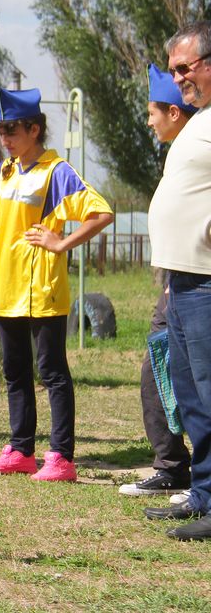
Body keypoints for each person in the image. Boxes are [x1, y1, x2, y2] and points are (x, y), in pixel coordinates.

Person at [0, 88, 113, 482]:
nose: (4, 138)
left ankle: (61, 457)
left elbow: (100, 213)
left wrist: (61, 244)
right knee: (14, 371)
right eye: (0, 131)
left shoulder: (56, 171)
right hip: (4, 288)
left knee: (52, 372)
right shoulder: (3, 171)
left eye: (12, 130)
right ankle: (20, 450)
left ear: (34, 129)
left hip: (42, 289)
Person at [144, 22, 211, 541]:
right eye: (173, 70)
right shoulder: (199, 121)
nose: (178, 78)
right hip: (183, 280)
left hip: (207, 282)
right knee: (192, 396)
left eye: (184, 67)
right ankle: (204, 493)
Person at [118, 64, 195, 497]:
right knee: (157, 371)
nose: (149, 122)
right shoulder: (179, 152)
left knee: (193, 377)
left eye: (152, 113)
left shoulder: (197, 149)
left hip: (195, 280)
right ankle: (171, 465)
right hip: (175, 280)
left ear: (174, 112)